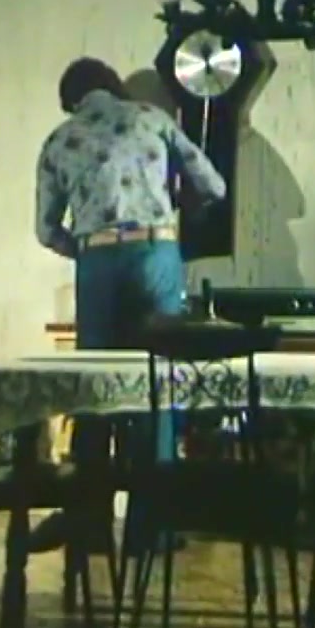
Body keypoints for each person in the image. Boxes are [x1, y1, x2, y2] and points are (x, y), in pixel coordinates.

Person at [29, 57, 226, 554]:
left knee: (95, 388)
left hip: (98, 260)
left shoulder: (59, 140)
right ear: (112, 86)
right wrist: (179, 210)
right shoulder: (152, 119)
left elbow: (45, 229)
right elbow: (214, 185)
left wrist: (89, 251)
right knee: (156, 385)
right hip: (155, 252)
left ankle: (90, 521)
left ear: (72, 100)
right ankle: (151, 528)